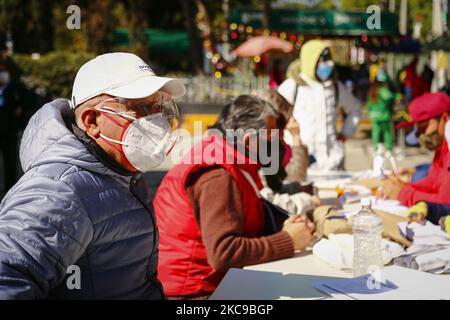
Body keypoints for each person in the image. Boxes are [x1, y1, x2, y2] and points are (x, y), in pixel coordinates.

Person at [0, 52, 186, 299]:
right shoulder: (60, 191)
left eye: (158, 107)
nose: (157, 120)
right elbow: (7, 280)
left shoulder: (117, 171)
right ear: (92, 120)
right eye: (141, 107)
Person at [153, 95, 315, 299]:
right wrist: (288, 240)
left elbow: (250, 213)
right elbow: (224, 253)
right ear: (249, 140)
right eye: (274, 138)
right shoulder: (217, 175)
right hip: (196, 294)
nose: (280, 145)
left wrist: (286, 223)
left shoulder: (229, 159)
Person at [278, 40, 361, 171]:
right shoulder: (293, 86)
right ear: (311, 61)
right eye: (322, 60)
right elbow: (273, 114)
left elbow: (354, 107)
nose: (327, 64)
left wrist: (346, 132)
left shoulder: (335, 87)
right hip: (300, 160)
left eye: (328, 60)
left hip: (330, 161)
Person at [378, 92, 450, 207]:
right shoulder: (442, 147)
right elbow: (434, 182)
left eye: (423, 127)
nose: (420, 136)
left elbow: (445, 203)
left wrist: (402, 193)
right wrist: (401, 185)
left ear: (446, 119)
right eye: (417, 130)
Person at [0, 64, 24, 194]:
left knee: (10, 160)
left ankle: (10, 188)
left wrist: (20, 109)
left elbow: (26, 100)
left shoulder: (14, 87)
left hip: (9, 131)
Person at [367, 69, 401, 153]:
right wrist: (398, 96)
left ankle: (375, 148)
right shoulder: (382, 89)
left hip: (374, 115)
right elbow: (388, 96)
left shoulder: (371, 90)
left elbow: (369, 104)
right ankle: (389, 149)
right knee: (387, 133)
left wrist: (370, 112)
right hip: (383, 115)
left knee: (376, 133)